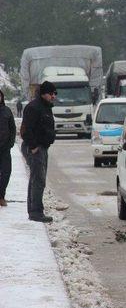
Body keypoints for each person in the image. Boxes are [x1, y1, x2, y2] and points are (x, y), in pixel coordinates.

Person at [21, 81, 57, 222]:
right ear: (44, 93)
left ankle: (34, 210)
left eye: (55, 93)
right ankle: (36, 212)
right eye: (51, 93)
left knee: (37, 179)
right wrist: (33, 146)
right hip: (35, 148)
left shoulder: (46, 107)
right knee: (38, 180)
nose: (53, 96)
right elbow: (25, 130)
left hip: (42, 147)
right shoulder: (34, 107)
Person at [0, 90, 16, 207]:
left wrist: (10, 144)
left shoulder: (7, 111)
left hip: (5, 148)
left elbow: (13, 129)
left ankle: (1, 196)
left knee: (6, 172)